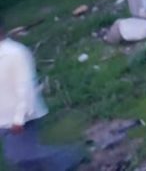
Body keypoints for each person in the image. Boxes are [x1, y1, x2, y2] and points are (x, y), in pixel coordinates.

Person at [0, 17, 86, 170]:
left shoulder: (15, 52)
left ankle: (71, 157)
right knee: (20, 157)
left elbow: (25, 86)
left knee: (20, 155)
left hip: (21, 117)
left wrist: (19, 118)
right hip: (4, 117)